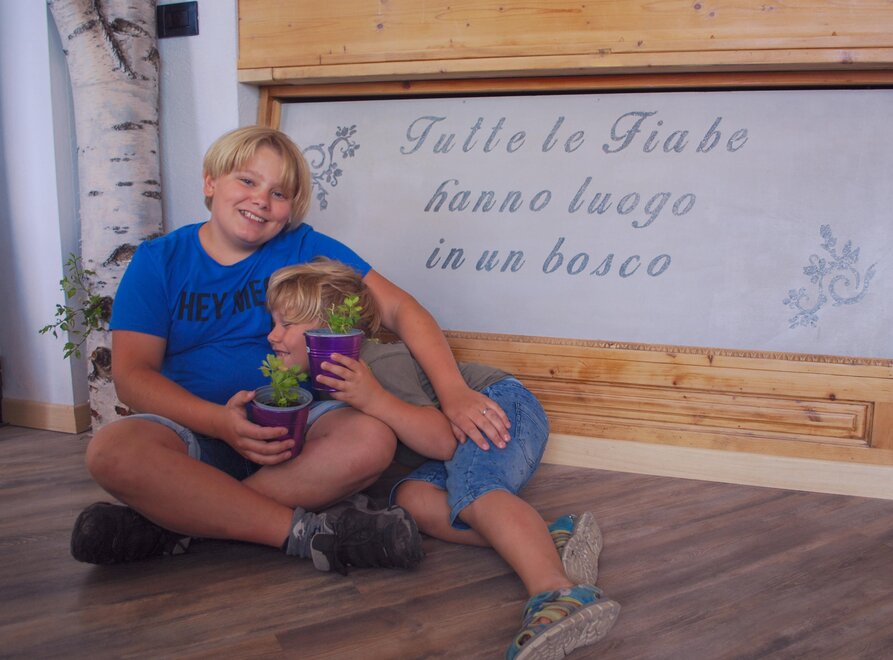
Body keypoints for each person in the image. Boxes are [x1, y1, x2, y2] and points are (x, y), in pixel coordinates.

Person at [71, 126, 512, 574]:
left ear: (291, 208)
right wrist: (219, 422)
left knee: (370, 439)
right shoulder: (159, 260)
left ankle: (175, 525)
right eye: (247, 181)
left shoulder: (304, 247)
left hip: (299, 433)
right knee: (111, 451)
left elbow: (400, 308)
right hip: (191, 430)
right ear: (210, 182)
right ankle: (305, 532)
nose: (261, 200)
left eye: (278, 193)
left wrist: (453, 391)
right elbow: (133, 377)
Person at [264, 258, 621, 659]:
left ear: (329, 330)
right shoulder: (324, 380)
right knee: (411, 498)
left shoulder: (377, 362)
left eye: (286, 324)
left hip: (497, 407)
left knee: (473, 486)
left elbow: (443, 442)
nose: (272, 335)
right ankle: (550, 538)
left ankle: (560, 593)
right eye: (273, 322)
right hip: (459, 434)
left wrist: (374, 400)